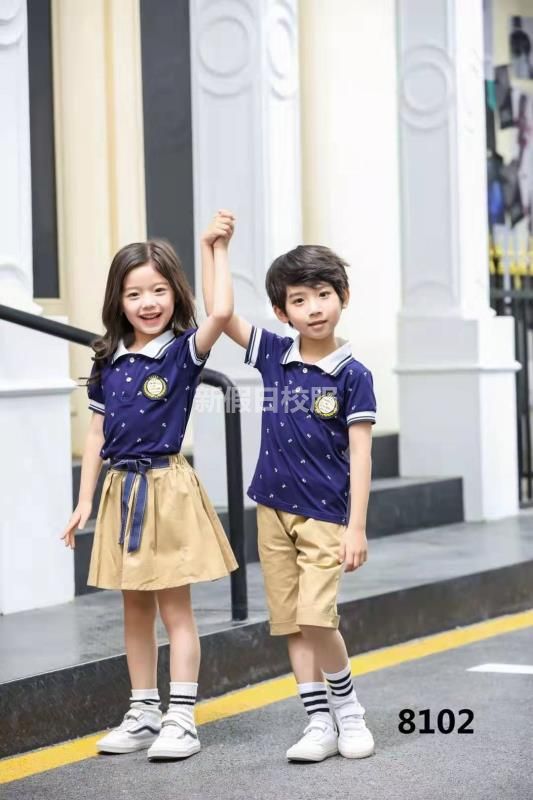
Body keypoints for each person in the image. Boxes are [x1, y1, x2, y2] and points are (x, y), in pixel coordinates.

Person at [61, 219, 238, 761]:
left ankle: (181, 718)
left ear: (175, 293)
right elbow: (96, 434)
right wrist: (84, 501)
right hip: (122, 491)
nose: (148, 302)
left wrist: (214, 248)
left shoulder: (183, 351)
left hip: (167, 487)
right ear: (118, 299)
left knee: (175, 610)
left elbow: (222, 312)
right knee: (134, 609)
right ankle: (143, 713)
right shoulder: (106, 359)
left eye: (159, 290)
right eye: (134, 292)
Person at [203, 222, 376, 762]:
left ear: (343, 296)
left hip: (325, 515)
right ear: (282, 312)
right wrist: (215, 250)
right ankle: (318, 723)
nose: (314, 308)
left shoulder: (354, 375)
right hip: (271, 509)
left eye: (323, 294)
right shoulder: (275, 354)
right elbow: (220, 313)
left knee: (317, 617)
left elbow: (362, 455)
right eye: (299, 300)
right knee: (292, 624)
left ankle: (350, 713)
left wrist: (356, 527)